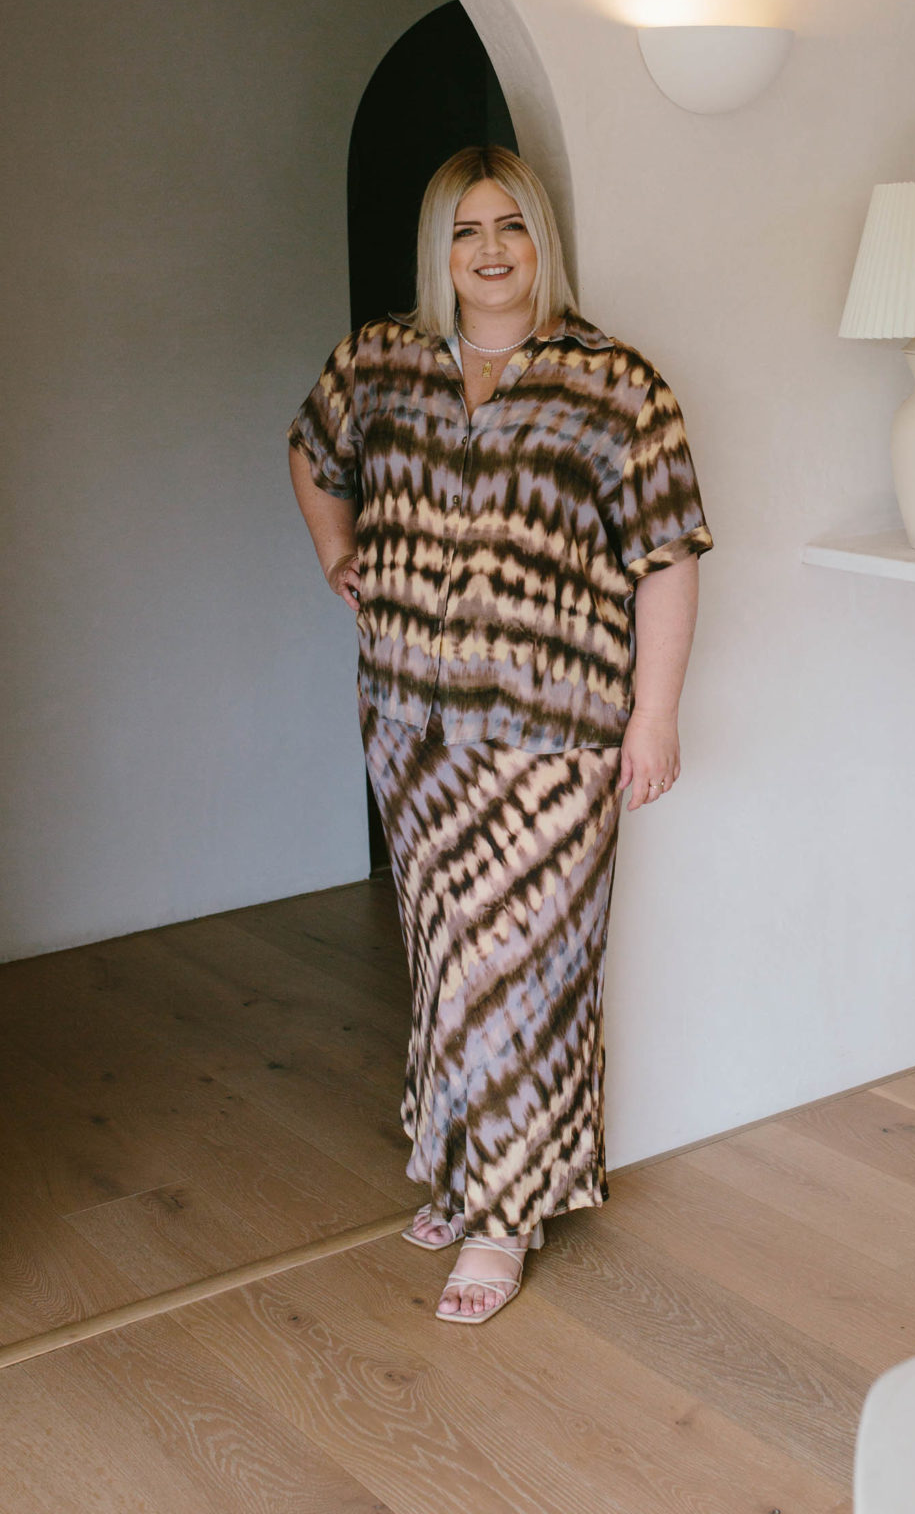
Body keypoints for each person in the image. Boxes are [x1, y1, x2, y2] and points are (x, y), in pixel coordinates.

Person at [287, 145, 711, 1324]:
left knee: (528, 974)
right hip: (412, 727)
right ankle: (464, 1162)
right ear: (441, 247)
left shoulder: (617, 384)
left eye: (510, 225)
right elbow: (311, 455)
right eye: (466, 227)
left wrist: (656, 714)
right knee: (446, 959)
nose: (488, 248)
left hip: (555, 735)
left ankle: (505, 1216)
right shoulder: (379, 361)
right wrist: (338, 551)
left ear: (541, 241)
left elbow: (667, 558)